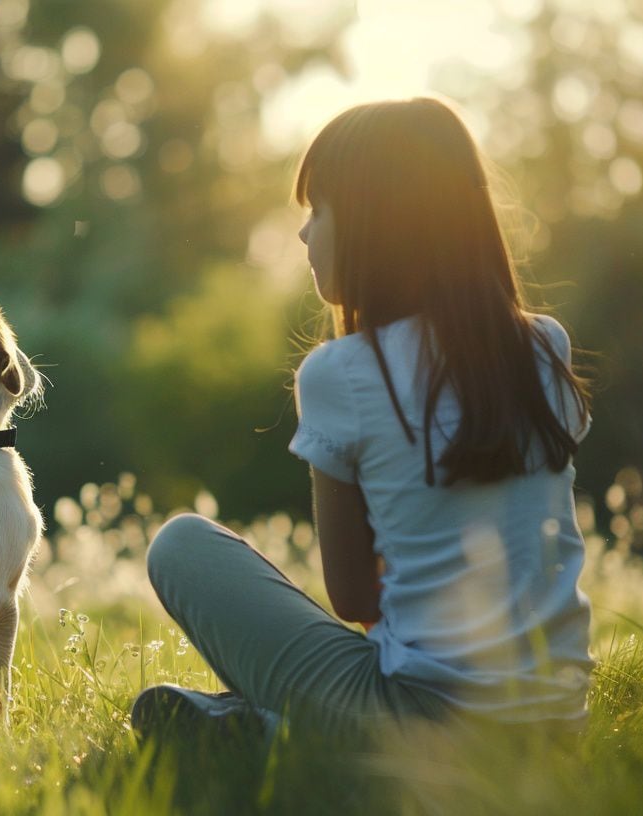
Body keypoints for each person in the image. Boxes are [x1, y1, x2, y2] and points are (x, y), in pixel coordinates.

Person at [132, 96, 594, 743]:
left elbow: (352, 598)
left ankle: (273, 738)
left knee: (181, 546)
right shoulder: (545, 346)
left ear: (377, 223)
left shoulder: (340, 372)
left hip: (419, 722)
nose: (303, 234)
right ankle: (261, 735)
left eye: (318, 211)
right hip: (557, 726)